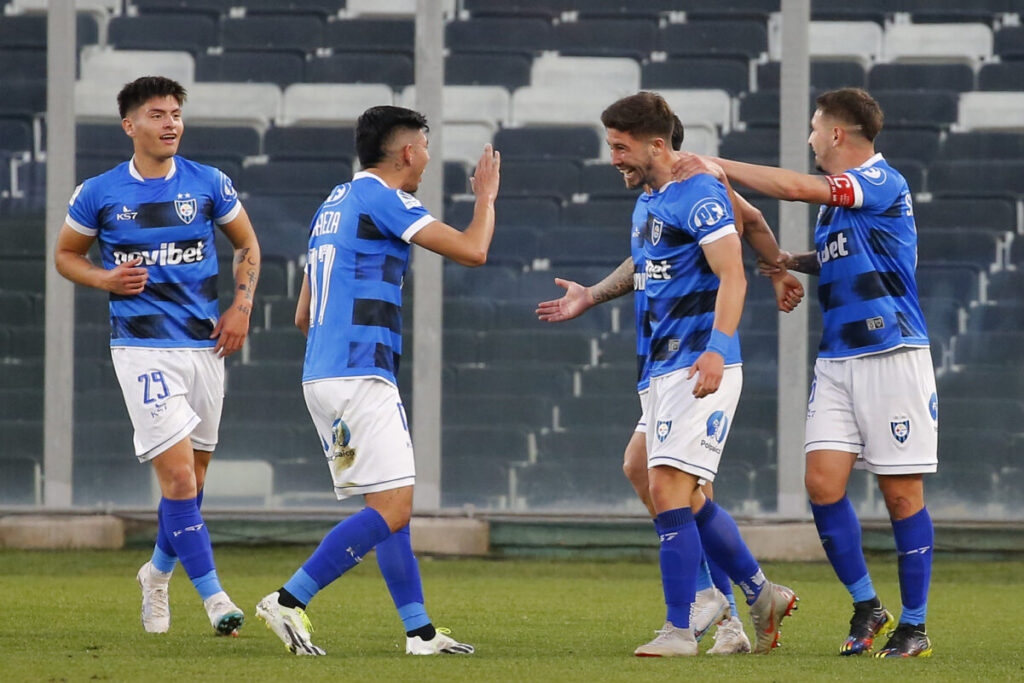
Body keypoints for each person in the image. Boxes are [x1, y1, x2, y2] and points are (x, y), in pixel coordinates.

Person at [537, 119, 803, 655]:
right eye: (610, 146)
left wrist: (719, 344)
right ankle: (754, 596)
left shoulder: (700, 187)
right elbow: (661, 256)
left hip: (700, 362)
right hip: (661, 365)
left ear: (657, 144)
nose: (613, 157)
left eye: (621, 146)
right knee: (647, 472)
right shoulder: (653, 198)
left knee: (668, 488)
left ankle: (682, 626)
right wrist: (592, 294)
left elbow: (732, 271)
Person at [255, 105, 500, 656]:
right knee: (391, 508)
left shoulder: (332, 204)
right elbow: (473, 250)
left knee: (392, 507)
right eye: (426, 148)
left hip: (325, 371)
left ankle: (420, 632)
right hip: (357, 372)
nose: (428, 160)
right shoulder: (382, 198)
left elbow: (302, 314)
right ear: (408, 152)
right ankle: (289, 600)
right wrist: (485, 197)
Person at [708, 87, 937, 658]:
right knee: (822, 485)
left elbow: (795, 188)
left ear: (837, 133)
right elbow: (845, 255)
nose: (810, 138)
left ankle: (915, 626)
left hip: (892, 356)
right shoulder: (842, 207)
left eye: (815, 128)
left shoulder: (882, 180)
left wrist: (718, 166)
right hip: (837, 359)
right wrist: (789, 263)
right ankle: (867, 607)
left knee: (901, 494)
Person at [54, 76, 260, 636]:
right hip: (142, 350)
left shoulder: (209, 183)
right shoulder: (98, 192)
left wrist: (241, 307)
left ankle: (157, 575)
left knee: (192, 483)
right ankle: (217, 600)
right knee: (177, 480)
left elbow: (246, 244)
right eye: (156, 114)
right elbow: (66, 256)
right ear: (130, 125)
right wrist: (104, 278)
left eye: (175, 113)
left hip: (205, 347)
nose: (170, 123)